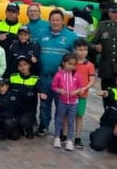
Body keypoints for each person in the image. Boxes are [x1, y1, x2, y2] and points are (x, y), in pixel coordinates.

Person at [36, 9, 77, 137]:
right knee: (44, 104)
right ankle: (43, 126)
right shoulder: (42, 34)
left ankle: (59, 129)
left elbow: (76, 58)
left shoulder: (71, 36)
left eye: (58, 20)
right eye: (53, 20)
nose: (55, 22)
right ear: (49, 21)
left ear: (62, 21)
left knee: (61, 105)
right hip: (45, 77)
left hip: (63, 79)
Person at [51, 53, 83, 151]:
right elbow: (53, 87)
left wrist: (76, 92)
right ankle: (57, 138)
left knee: (71, 121)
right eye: (70, 64)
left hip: (74, 103)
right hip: (62, 101)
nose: (72, 66)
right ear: (64, 63)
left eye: (74, 65)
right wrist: (59, 90)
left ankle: (70, 140)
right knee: (59, 119)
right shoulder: (58, 75)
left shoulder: (77, 75)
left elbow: (81, 88)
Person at [71, 38, 96, 148]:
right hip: (70, 94)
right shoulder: (71, 62)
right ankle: (64, 134)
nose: (83, 52)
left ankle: (77, 137)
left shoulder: (89, 65)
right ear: (74, 50)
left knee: (79, 115)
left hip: (82, 95)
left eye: (85, 50)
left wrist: (84, 88)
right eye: (80, 50)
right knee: (67, 115)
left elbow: (92, 80)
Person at [9, 56, 40, 139]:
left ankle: (29, 128)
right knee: (14, 136)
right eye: (20, 65)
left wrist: (42, 93)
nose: (23, 67)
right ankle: (20, 128)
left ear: (29, 65)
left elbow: (41, 91)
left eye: (25, 64)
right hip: (16, 110)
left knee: (24, 121)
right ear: (17, 67)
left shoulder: (35, 79)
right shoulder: (12, 77)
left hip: (29, 110)